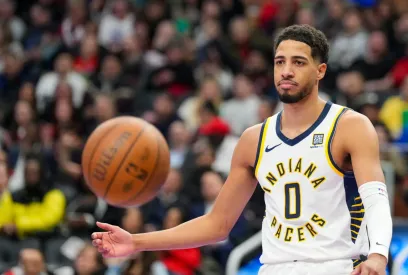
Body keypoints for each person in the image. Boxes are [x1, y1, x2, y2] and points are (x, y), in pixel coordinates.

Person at [92, 24, 392, 275]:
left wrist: (378, 254)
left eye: (298, 62)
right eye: (279, 62)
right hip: (273, 268)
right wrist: (137, 242)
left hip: (335, 266)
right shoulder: (254, 139)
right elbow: (217, 223)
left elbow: (376, 199)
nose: (286, 71)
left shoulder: (349, 125)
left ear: (320, 71)